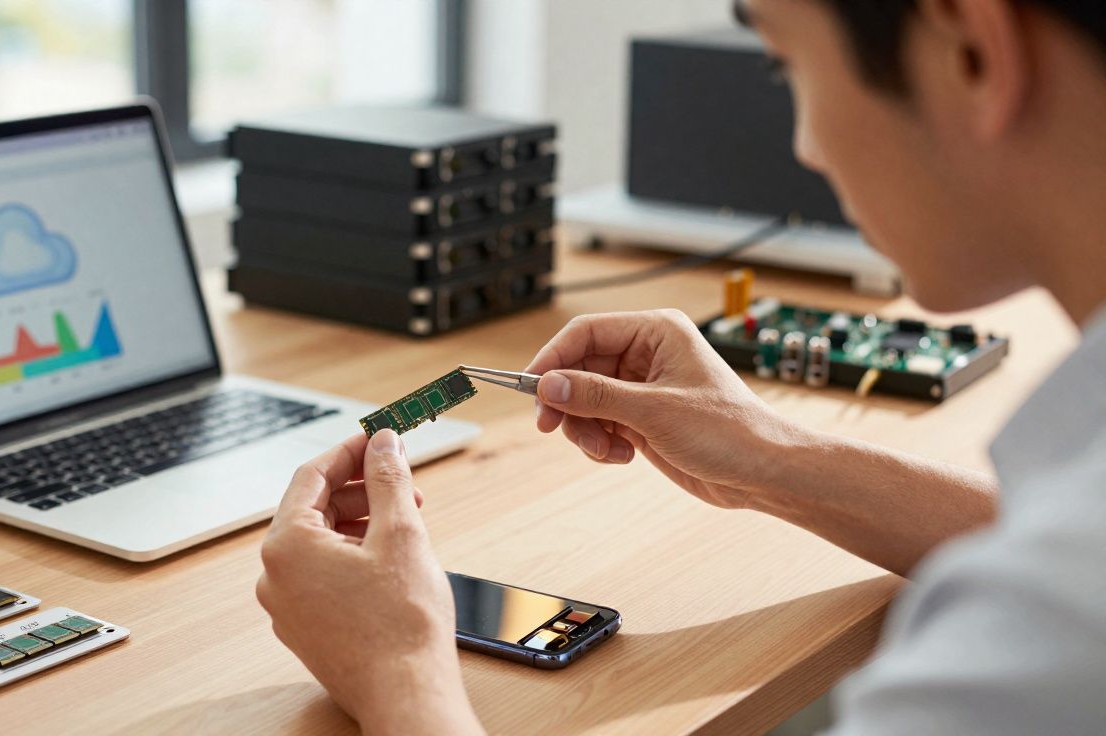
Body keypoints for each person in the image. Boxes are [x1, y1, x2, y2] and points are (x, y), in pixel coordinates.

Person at [255, 0, 1106, 732]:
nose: (806, 147)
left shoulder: (1051, 634)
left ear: (970, 50)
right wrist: (769, 459)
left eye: (786, 68)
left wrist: (401, 674)